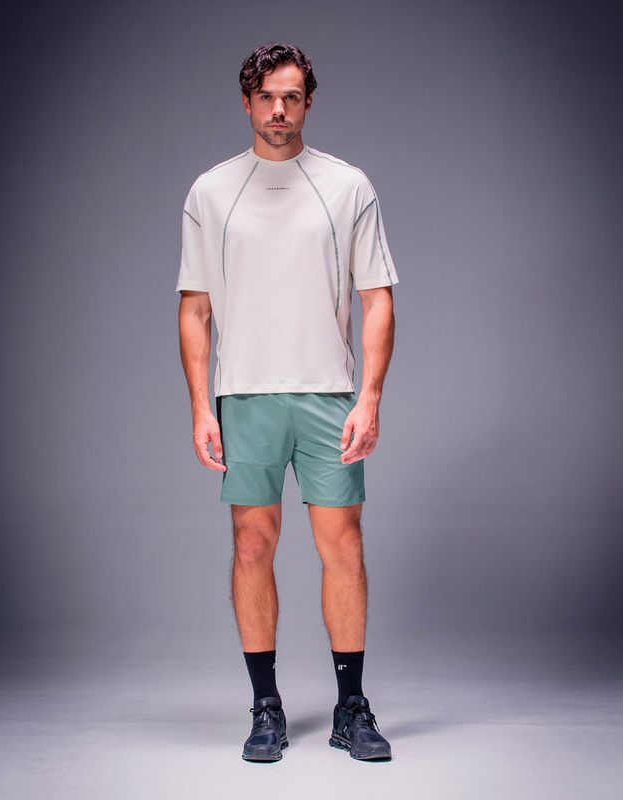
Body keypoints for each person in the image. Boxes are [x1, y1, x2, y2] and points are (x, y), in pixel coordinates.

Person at [176, 42, 399, 762]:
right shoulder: (212, 191)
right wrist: (201, 407)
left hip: (328, 394)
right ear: (247, 102)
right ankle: (265, 707)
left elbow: (377, 299)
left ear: (308, 103)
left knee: (344, 545)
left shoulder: (347, 186)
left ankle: (351, 707)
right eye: (267, 97)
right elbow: (194, 307)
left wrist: (369, 398)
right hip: (245, 395)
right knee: (252, 544)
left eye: (292, 97)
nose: (279, 110)